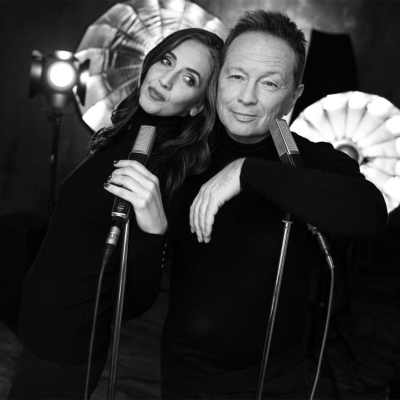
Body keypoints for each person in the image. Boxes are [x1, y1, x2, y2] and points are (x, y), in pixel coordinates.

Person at [160, 10, 388, 399]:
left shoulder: (309, 160)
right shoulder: (182, 151)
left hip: (275, 377)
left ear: (293, 96)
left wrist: (248, 171)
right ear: (217, 80)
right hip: (186, 372)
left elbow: (370, 214)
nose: (247, 97)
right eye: (236, 77)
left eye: (269, 83)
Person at [8, 28, 223, 399]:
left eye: (189, 79)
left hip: (66, 345)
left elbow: (136, 301)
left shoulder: (164, 172)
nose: (166, 80)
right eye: (167, 61)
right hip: (38, 326)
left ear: (197, 106)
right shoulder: (128, 133)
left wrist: (155, 229)